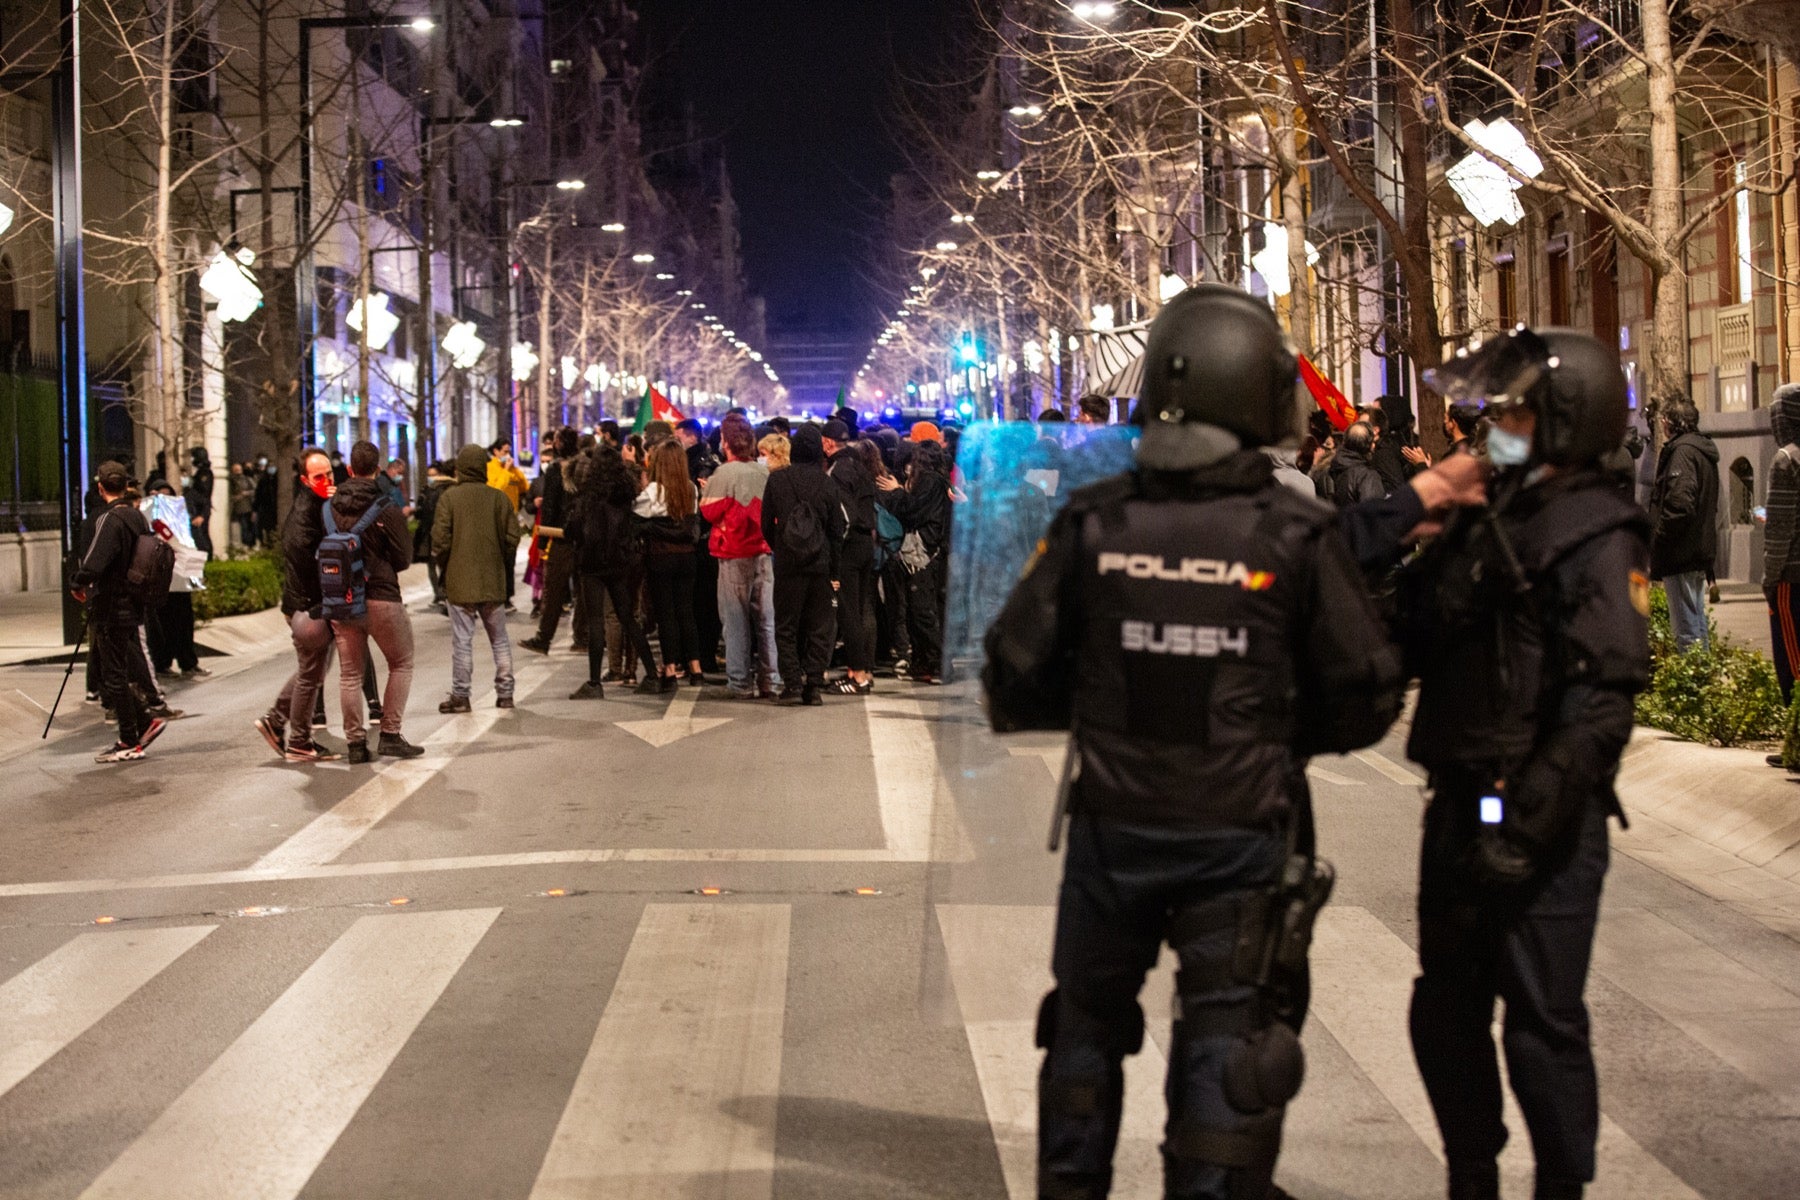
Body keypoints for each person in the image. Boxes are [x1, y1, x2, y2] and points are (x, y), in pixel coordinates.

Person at [983, 283, 1404, 1200]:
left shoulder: (1097, 519)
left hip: (1113, 831)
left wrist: (1106, 704)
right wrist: (1279, 736)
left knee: (1083, 1034)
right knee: (1228, 1049)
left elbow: (1011, 670)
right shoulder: (1294, 530)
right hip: (1238, 834)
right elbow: (1370, 688)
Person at [1401, 326, 1650, 1200]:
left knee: (1543, 1024)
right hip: (1460, 793)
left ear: (1564, 419)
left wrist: (1529, 819)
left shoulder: (1599, 530)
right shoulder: (1486, 513)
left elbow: (1604, 700)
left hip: (1544, 818)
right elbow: (1414, 631)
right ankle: (1471, 1171)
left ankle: (1560, 1186)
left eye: (1512, 414)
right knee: (1445, 1008)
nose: (1495, 429)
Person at [327, 440, 422, 763]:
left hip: (341, 600)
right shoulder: (385, 507)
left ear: (349, 469)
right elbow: (404, 557)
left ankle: (355, 744)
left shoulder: (328, 508)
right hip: (381, 597)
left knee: (349, 674)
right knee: (401, 662)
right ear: (378, 469)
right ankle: (390, 735)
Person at [73, 461, 171, 763]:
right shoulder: (136, 517)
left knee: (112, 674)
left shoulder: (110, 519)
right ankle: (145, 721)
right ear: (126, 486)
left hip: (111, 606)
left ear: (100, 487)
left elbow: (94, 562)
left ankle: (129, 739)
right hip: (134, 602)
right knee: (119, 669)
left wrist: (77, 582)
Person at [253, 448, 340, 762]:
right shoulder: (306, 514)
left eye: (329, 474)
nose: (327, 480)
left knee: (314, 671)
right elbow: (309, 563)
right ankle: (298, 739)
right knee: (310, 673)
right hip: (307, 605)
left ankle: (277, 722)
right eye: (319, 476)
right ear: (305, 480)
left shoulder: (317, 506)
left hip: (306, 604)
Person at [566, 444, 662, 699]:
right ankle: (652, 675)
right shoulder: (625, 495)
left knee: (596, 620)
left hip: (592, 564)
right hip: (619, 562)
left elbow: (573, 529)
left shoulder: (588, 498)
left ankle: (594, 682)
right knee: (628, 617)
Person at [434, 443, 522, 712]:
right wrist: (500, 560)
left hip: (459, 582)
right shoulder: (498, 499)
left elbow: (440, 541)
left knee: (462, 640)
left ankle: (461, 696)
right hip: (493, 580)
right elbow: (512, 537)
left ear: (460, 468)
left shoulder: (450, 498)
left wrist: (447, 564)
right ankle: (505, 694)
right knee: (499, 639)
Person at [762, 424, 846, 705]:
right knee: (819, 628)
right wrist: (834, 570)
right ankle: (813, 686)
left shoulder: (777, 480)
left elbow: (765, 523)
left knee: (786, 625)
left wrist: (780, 547)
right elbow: (836, 530)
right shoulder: (827, 482)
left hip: (788, 564)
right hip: (820, 565)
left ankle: (792, 684)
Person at [703, 421, 782, 699]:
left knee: (735, 619)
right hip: (764, 551)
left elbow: (709, 511)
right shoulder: (764, 471)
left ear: (726, 443)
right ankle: (770, 680)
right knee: (767, 620)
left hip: (734, 552)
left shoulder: (724, 473)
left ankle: (739, 682)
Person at [876, 438, 952, 683]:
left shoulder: (930, 481)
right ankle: (923, 663)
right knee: (917, 610)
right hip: (928, 552)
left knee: (921, 612)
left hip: (924, 553)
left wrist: (897, 491)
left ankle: (937, 664)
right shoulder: (940, 481)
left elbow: (913, 511)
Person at [1647, 400, 1719, 651]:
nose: (1662, 424)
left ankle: (1695, 674)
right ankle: (1703, 671)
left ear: (1670, 422)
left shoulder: (1683, 453)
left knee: (1686, 630)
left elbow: (1679, 505)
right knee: (1696, 623)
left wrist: (1658, 539)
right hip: (1695, 550)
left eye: (1663, 420)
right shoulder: (1699, 450)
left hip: (1680, 553)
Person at [637, 440, 705, 686]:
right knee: (686, 612)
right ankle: (696, 668)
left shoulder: (654, 491)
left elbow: (636, 516)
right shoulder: (690, 488)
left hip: (661, 556)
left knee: (666, 614)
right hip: (687, 557)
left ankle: (670, 668)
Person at [823, 418, 878, 694]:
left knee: (848, 612)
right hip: (867, 542)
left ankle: (858, 676)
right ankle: (864, 669)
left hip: (849, 545)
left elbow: (844, 515)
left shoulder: (837, 471)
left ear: (827, 443)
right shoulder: (860, 467)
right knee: (862, 608)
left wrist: (835, 548)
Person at [1762, 383, 1800, 766]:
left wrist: (1770, 580)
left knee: (1792, 665)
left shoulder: (1785, 461)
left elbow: (1779, 530)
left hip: (1791, 578)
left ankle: (1798, 746)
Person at [519, 428, 582, 655]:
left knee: (553, 591)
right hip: (584, 537)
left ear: (559, 443)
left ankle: (543, 638)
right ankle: (583, 637)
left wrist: (542, 542)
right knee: (583, 591)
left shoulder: (556, 470)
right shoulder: (585, 466)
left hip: (561, 537)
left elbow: (550, 507)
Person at [486, 438, 528, 610]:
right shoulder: (490, 468)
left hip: (512, 517)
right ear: (496, 452)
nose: (508, 455)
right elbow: (496, 490)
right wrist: (505, 471)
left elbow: (524, 486)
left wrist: (514, 470)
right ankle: (496, 595)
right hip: (495, 518)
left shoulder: (512, 469)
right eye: (504, 451)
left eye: (509, 451)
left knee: (510, 560)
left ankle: (507, 596)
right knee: (497, 560)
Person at [414, 459, 450, 608]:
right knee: (431, 565)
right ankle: (438, 594)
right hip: (427, 533)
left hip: (438, 532)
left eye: (434, 475)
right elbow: (421, 511)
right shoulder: (426, 490)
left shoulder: (444, 491)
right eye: (429, 475)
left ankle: (443, 593)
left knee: (440, 564)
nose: (431, 478)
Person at [185, 446, 215, 556]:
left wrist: (202, 514)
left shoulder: (205, 473)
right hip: (196, 509)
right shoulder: (199, 473)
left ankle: (207, 556)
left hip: (200, 509)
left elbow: (204, 495)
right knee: (198, 534)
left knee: (202, 535)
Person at [253, 455, 279, 547]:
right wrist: (255, 509)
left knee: (274, 526)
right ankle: (268, 542)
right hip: (266, 507)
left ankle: (273, 542)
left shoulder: (278, 479)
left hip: (275, 507)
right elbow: (258, 495)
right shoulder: (263, 480)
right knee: (267, 527)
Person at [230, 461, 256, 548]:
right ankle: (240, 544)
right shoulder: (231, 481)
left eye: (239, 469)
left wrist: (246, 493)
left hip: (247, 507)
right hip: (236, 507)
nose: (238, 471)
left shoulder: (247, 479)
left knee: (247, 526)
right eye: (236, 470)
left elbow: (255, 490)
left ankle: (248, 543)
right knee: (238, 526)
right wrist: (235, 498)